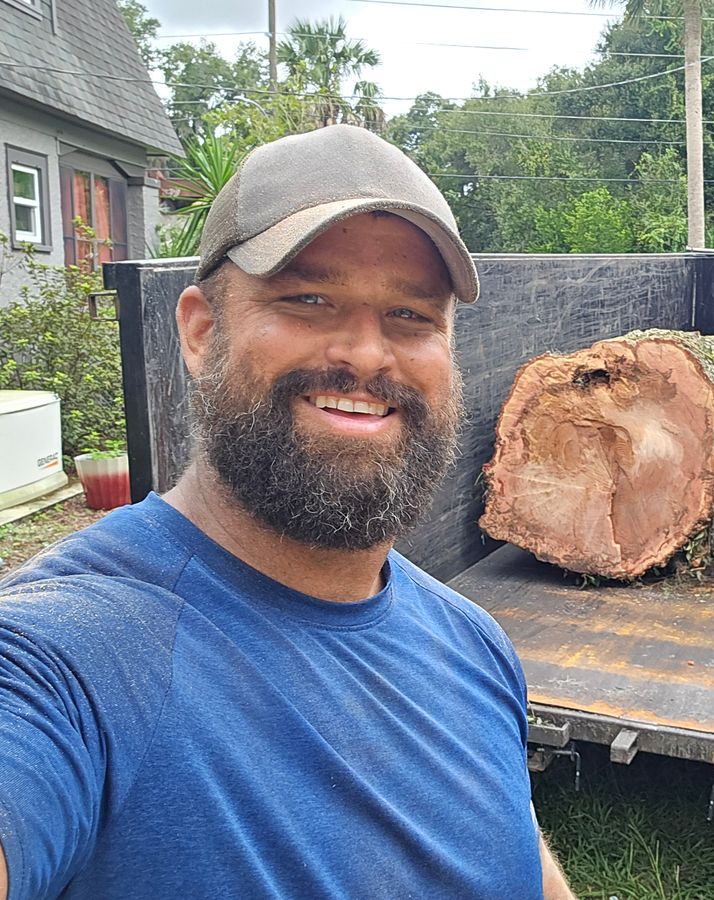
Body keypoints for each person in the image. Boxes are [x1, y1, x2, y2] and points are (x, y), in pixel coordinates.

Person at [0, 125, 575, 900]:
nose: (368, 355)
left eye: (411, 315)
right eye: (309, 299)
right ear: (203, 333)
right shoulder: (69, 656)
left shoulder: (472, 646)